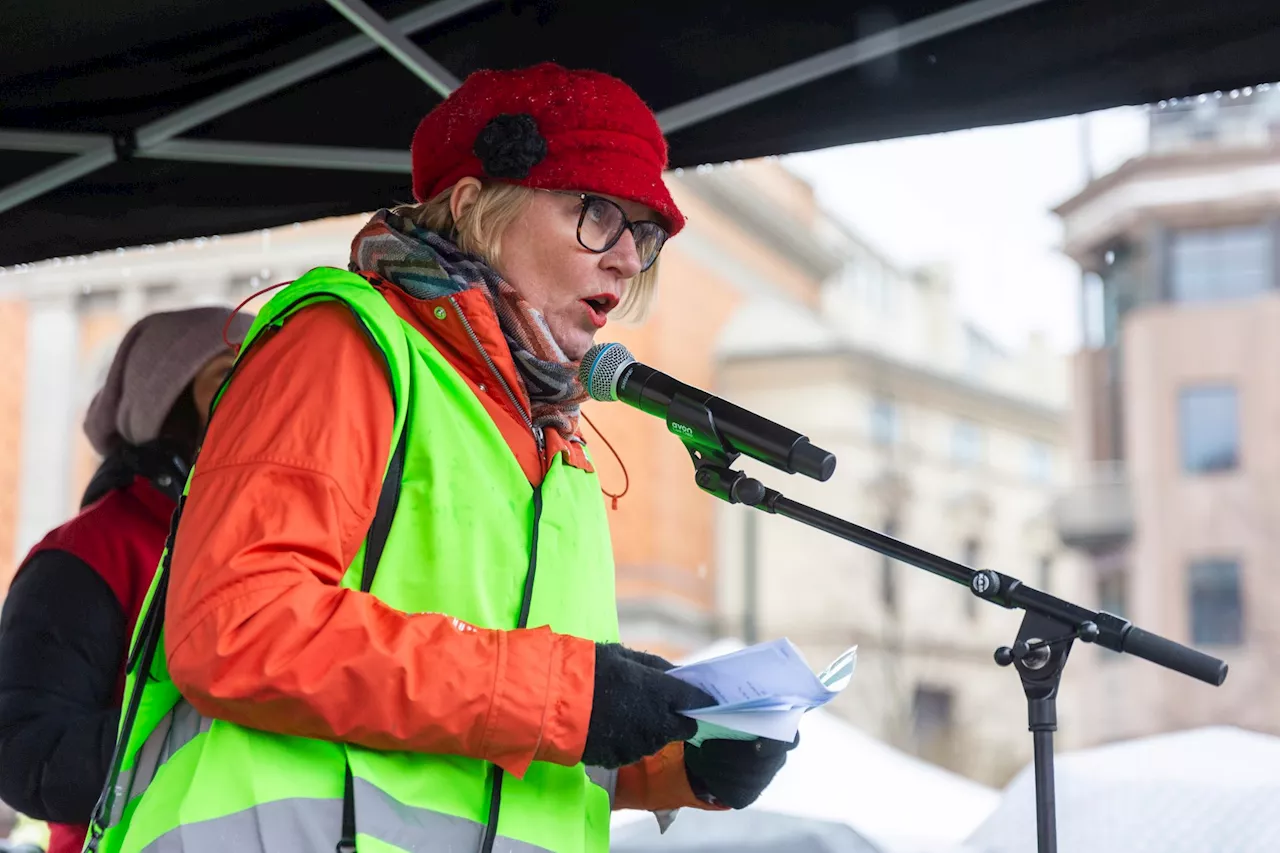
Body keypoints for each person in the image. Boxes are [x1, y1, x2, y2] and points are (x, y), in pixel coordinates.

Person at [88, 63, 793, 853]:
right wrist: (571, 691)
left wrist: (674, 762)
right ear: (472, 207)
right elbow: (236, 627)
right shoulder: (349, 346)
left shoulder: (559, 450)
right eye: (596, 212)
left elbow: (498, 738)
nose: (628, 260)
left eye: (645, 233)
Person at [0, 306, 251, 853]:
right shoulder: (87, 553)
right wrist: (215, 724)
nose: (254, 395)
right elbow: (28, 756)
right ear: (168, 402)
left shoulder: (261, 546)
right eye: (227, 374)